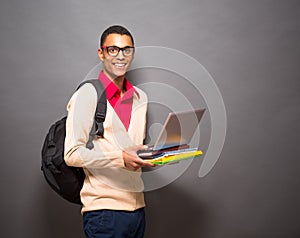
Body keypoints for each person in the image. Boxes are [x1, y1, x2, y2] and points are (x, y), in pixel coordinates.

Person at [64, 25, 154, 238]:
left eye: (127, 49)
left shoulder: (141, 97)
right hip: (104, 212)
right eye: (113, 49)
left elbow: (131, 149)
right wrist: (120, 157)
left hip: (137, 210)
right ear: (101, 53)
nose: (120, 56)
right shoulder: (87, 94)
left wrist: (158, 155)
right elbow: (71, 154)